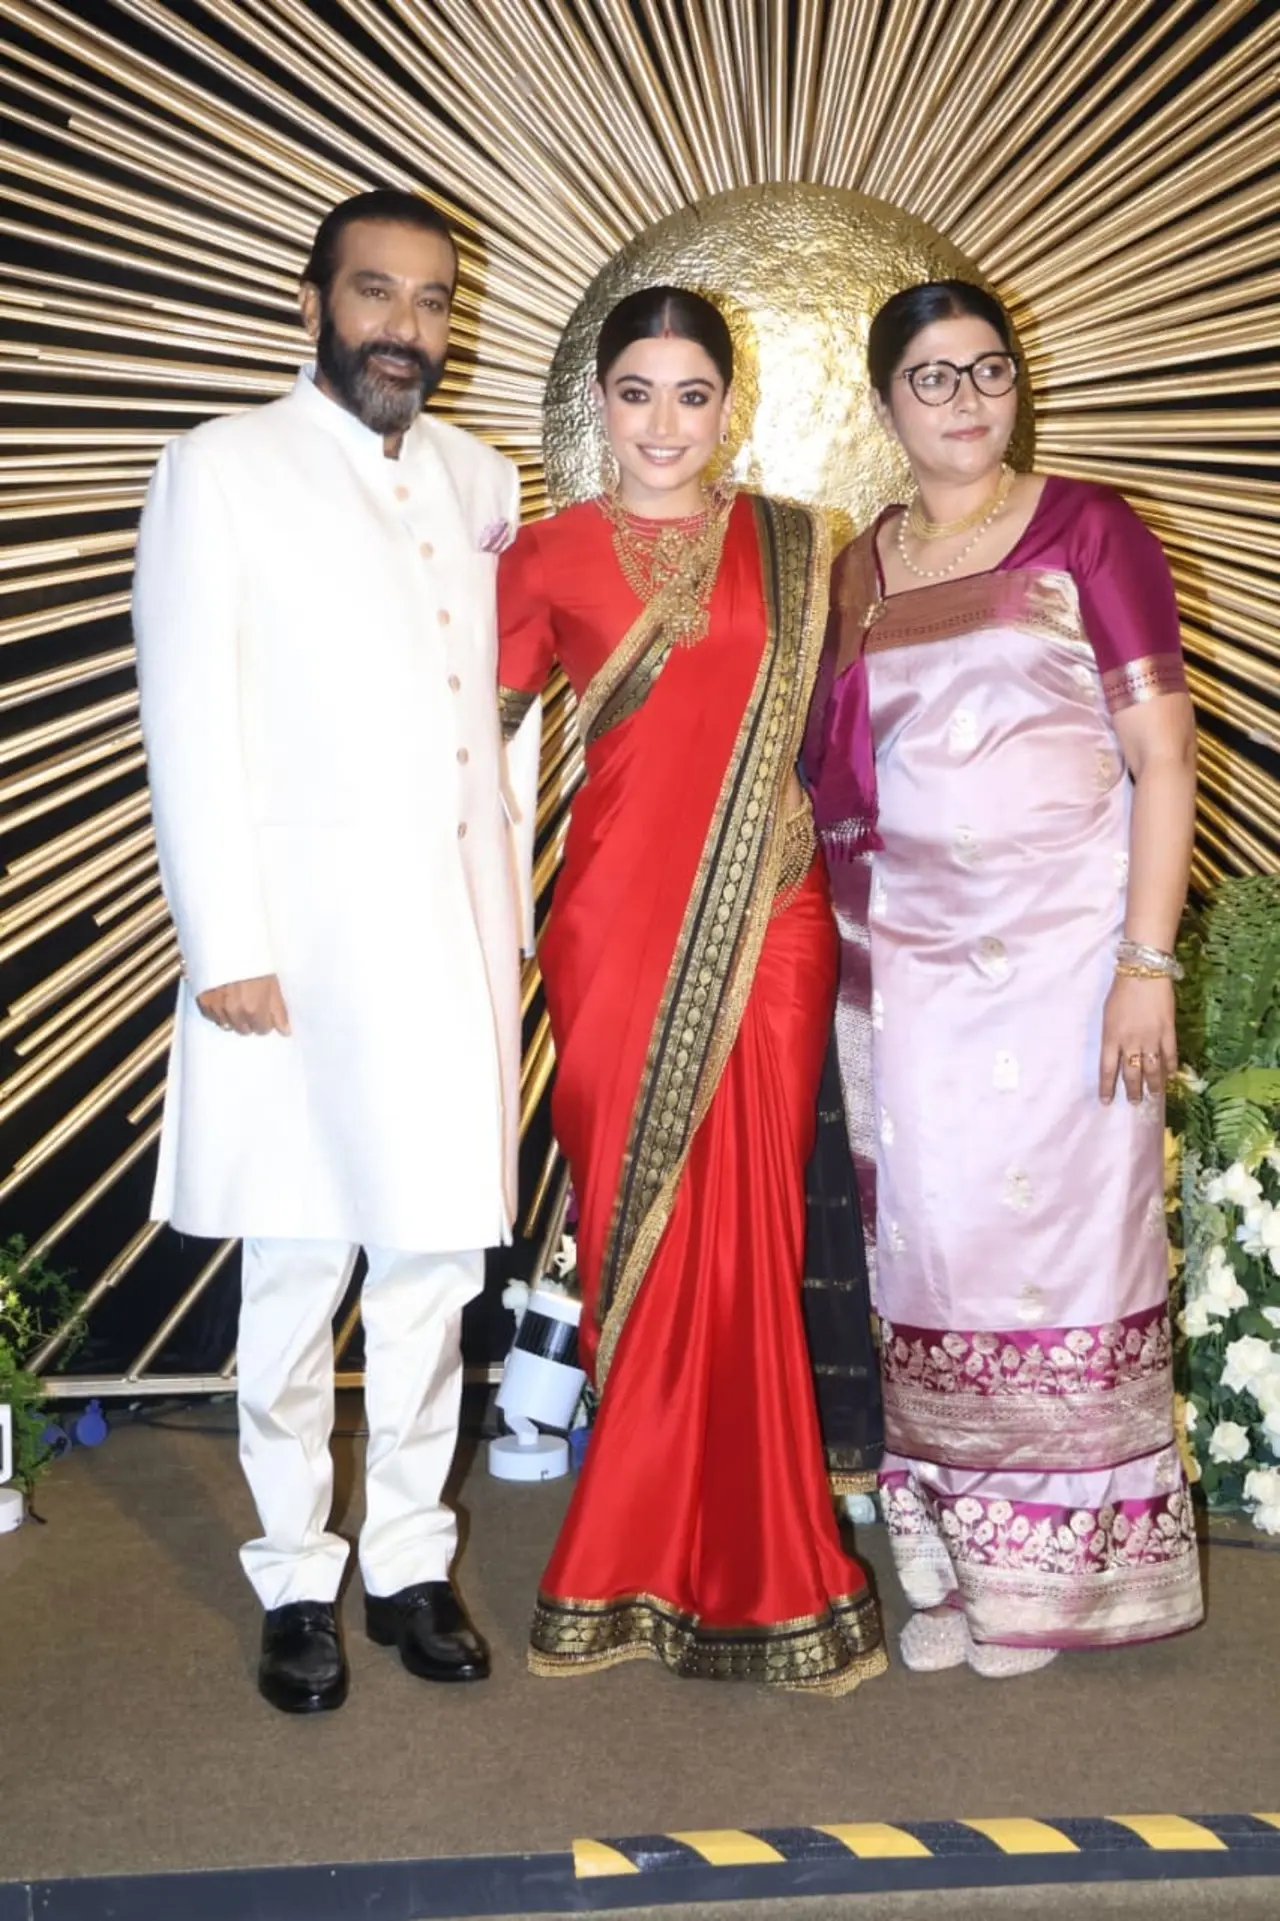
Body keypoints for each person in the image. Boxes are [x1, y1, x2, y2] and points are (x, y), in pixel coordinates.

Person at [133, 189, 527, 1714]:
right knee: (298, 1270)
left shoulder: (482, 476)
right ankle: (298, 1575)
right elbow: (185, 718)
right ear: (315, 302)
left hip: (449, 945)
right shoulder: (220, 469)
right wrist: (223, 938)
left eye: (431, 303)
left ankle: (410, 1561)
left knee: (435, 1265)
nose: (406, 331)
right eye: (378, 296)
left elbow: (504, 721)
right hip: (292, 952)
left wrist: (509, 913)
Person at [804, 279, 1204, 1677]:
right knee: (932, 1261)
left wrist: (1143, 967)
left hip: (1065, 967)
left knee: (1058, 1262)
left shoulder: (1089, 529)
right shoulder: (858, 570)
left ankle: (1055, 1583)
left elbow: (1164, 758)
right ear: (887, 403)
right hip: (904, 976)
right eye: (933, 377)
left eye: (988, 372)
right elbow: (829, 783)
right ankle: (954, 1566)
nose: (967, 400)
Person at [497, 286, 886, 1694]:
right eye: (638, 392)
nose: (666, 423)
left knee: (753, 1227)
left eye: (693, 395)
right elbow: (457, 748)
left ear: (733, 406)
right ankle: (627, 1542)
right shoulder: (538, 558)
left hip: (772, 927)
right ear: (598, 403)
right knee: (633, 1226)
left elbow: (846, 745)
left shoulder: (797, 544)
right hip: (611, 930)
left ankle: (771, 1555)